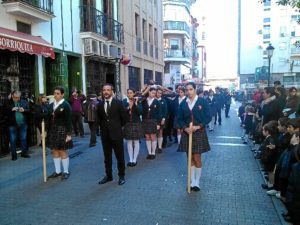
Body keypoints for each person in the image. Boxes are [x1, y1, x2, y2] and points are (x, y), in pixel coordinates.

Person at [177, 82, 212, 192]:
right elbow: (179, 118)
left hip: (198, 132)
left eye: (191, 89)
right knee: (190, 158)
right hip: (187, 133)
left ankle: (197, 182)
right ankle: (191, 182)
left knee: (197, 158)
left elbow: (208, 116)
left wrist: (199, 126)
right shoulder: (183, 103)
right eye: (187, 90)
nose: (188, 92)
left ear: (195, 89)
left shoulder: (203, 101)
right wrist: (184, 127)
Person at [97, 84, 128, 185]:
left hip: (117, 134)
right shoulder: (100, 104)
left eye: (108, 90)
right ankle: (109, 176)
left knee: (120, 157)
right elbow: (99, 119)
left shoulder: (118, 103)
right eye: (104, 90)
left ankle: (121, 176)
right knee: (107, 157)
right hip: (105, 135)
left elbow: (124, 119)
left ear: (112, 91)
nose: (106, 92)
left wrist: (117, 128)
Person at [47, 86, 73, 180]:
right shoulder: (51, 105)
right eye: (55, 93)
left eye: (58, 93)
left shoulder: (66, 105)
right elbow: (48, 119)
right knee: (54, 150)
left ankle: (66, 171)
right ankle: (57, 171)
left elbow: (69, 120)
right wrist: (46, 131)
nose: (55, 95)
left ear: (62, 94)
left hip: (63, 130)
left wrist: (69, 134)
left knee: (62, 150)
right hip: (53, 131)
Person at [4, 90, 30, 160]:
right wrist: (11, 109)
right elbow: (4, 111)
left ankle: (24, 153)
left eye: (18, 97)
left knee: (23, 138)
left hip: (23, 123)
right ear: (12, 96)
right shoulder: (8, 102)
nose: (17, 99)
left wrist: (24, 110)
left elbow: (30, 110)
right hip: (12, 124)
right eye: (15, 97)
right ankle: (14, 155)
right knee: (13, 139)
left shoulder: (24, 102)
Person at [122, 88, 144, 167]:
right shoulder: (124, 101)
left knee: (136, 141)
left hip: (136, 123)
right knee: (129, 142)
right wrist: (129, 107)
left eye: (131, 93)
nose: (129, 94)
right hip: (127, 123)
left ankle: (134, 159)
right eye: (128, 93)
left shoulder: (138, 101)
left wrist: (136, 104)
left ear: (134, 93)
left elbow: (140, 112)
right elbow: (122, 113)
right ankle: (130, 159)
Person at [141, 87, 162, 159]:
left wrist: (158, 124)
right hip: (145, 121)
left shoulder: (157, 102)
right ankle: (149, 152)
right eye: (152, 93)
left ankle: (153, 153)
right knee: (147, 136)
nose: (153, 94)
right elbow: (139, 96)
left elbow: (159, 114)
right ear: (148, 92)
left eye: (154, 93)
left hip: (153, 121)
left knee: (153, 136)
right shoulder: (143, 101)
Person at [156, 88, 168, 153]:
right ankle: (155, 146)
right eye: (158, 92)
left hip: (161, 119)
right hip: (154, 120)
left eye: (160, 93)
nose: (159, 94)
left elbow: (165, 111)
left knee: (160, 133)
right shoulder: (153, 100)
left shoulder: (163, 101)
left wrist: (163, 119)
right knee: (154, 133)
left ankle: (160, 147)